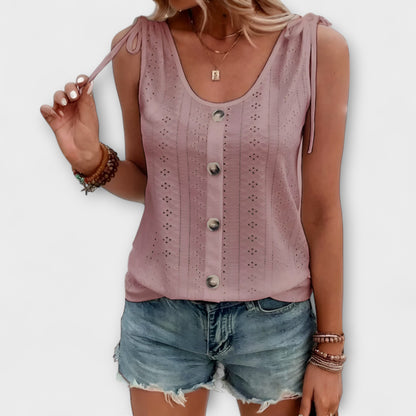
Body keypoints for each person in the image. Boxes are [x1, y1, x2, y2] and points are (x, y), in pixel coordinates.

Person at [40, 0, 349, 415]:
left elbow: (322, 211)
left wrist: (329, 352)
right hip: (160, 320)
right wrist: (90, 160)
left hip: (275, 325)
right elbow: (150, 183)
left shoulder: (314, 50)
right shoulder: (136, 49)